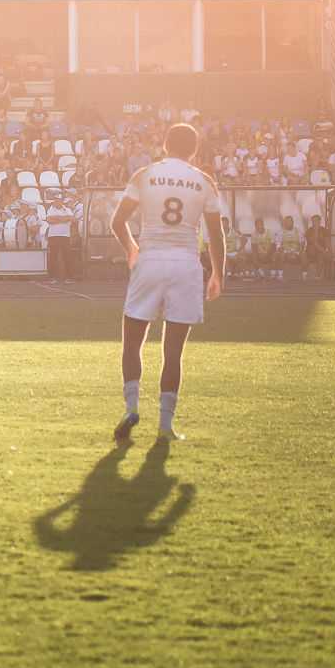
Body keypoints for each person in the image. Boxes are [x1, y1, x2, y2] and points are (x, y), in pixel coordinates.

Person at [111, 122, 225, 445]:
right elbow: (216, 233)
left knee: (132, 342)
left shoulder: (144, 175)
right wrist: (218, 273)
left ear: (164, 145)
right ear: (195, 150)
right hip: (186, 264)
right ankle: (165, 425)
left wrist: (132, 249)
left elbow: (117, 222)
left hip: (150, 259)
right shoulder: (204, 181)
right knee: (173, 351)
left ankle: (132, 407)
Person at [44, 190, 77, 283]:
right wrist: (63, 219)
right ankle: (51, 277)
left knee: (66, 257)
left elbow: (70, 218)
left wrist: (56, 218)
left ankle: (69, 277)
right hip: (53, 236)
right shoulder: (50, 209)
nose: (57, 202)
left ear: (62, 201)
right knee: (52, 257)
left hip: (65, 236)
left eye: (58, 200)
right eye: (55, 200)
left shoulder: (68, 210)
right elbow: (49, 220)